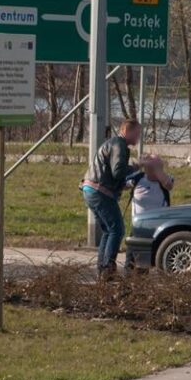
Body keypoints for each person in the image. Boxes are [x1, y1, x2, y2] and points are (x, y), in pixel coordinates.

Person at [81, 119, 142, 279]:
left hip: (91, 189)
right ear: (127, 131)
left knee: (109, 230)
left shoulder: (114, 143)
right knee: (117, 229)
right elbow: (118, 172)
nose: (138, 137)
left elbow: (112, 174)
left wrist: (124, 184)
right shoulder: (119, 144)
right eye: (137, 133)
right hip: (99, 192)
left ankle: (103, 269)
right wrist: (136, 167)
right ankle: (107, 268)